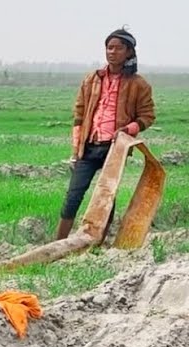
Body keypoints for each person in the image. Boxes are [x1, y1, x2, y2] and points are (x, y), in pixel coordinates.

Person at [55, 27, 155, 241]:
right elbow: (79, 114)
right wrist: (76, 148)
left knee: (106, 197)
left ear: (129, 52)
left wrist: (128, 129)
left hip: (115, 149)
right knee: (73, 195)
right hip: (89, 146)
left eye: (118, 48)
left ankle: (98, 242)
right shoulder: (92, 79)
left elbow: (147, 116)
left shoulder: (139, 85)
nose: (112, 52)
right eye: (109, 48)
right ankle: (58, 242)